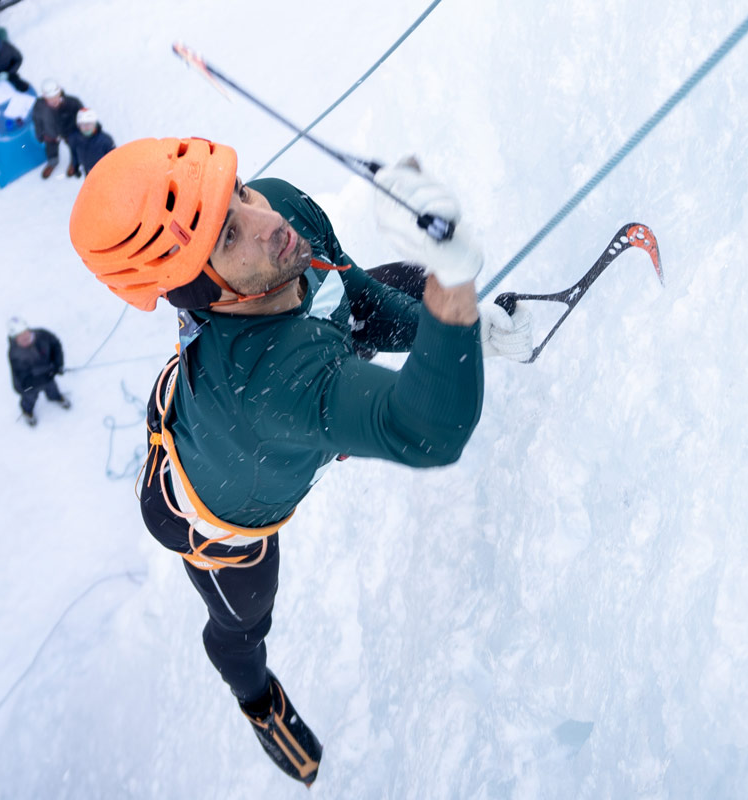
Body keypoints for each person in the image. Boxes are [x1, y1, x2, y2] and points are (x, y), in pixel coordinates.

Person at [68, 137, 532, 786]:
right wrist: (452, 292)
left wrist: (462, 328)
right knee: (243, 622)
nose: (270, 224)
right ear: (201, 289)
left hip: (220, 410)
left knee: (386, 280)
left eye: (239, 192)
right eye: (229, 235)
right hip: (208, 518)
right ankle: (256, 700)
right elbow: (429, 432)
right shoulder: (272, 382)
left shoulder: (278, 207)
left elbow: (358, 303)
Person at [6, 316, 69, 427]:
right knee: (29, 398)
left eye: (25, 333)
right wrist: (48, 372)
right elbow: (22, 376)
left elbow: (56, 345)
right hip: (28, 385)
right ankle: (27, 411)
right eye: (20, 336)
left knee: (52, 388)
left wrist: (58, 364)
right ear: (14, 338)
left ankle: (55, 397)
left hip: (48, 375)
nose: (24, 337)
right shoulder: (15, 354)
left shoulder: (42, 335)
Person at [32, 79, 82, 179]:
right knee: (50, 149)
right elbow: (37, 121)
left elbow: (81, 117)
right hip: (50, 134)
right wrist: (40, 134)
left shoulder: (72, 103)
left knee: (74, 148)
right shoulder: (39, 107)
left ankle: (74, 162)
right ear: (44, 96)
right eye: (50, 98)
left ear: (60, 92)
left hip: (69, 133)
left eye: (56, 96)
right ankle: (53, 162)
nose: (54, 100)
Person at [64, 107, 114, 177]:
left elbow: (114, 158)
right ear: (79, 125)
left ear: (95, 124)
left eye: (89, 124)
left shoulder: (105, 140)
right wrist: (75, 166)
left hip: (103, 171)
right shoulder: (74, 138)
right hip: (87, 168)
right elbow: (73, 152)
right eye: (83, 125)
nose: (86, 127)